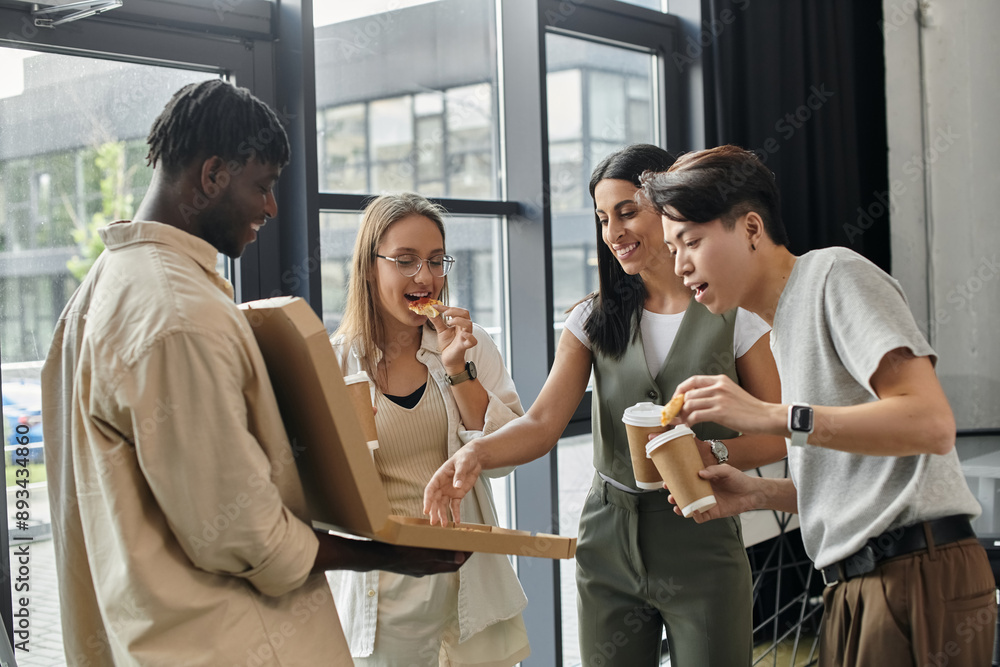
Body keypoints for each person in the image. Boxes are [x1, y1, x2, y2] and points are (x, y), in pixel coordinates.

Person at [41, 80, 467, 667]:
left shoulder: (97, 292)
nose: (271, 208)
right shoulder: (179, 315)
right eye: (262, 186)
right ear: (213, 175)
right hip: (222, 641)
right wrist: (392, 554)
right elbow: (246, 536)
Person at [424, 144, 787, 666]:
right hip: (607, 541)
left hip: (701, 537)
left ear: (668, 210)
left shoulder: (736, 313)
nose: (613, 232)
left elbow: (777, 433)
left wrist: (712, 455)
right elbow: (542, 424)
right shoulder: (591, 320)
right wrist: (474, 454)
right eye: (602, 218)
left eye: (627, 211)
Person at [642, 144, 996, 666]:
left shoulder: (834, 274)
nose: (680, 265)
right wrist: (757, 494)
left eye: (691, 241)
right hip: (855, 584)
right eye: (672, 249)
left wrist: (768, 415)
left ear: (751, 228)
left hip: (915, 570)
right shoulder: (781, 329)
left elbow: (930, 423)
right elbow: (859, 481)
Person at [326, 192, 531, 666]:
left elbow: (506, 457)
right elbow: (320, 495)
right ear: (370, 268)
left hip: (470, 586)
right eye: (406, 261)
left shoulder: (471, 346)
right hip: (386, 597)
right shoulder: (337, 363)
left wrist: (459, 371)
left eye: (436, 261)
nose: (425, 277)